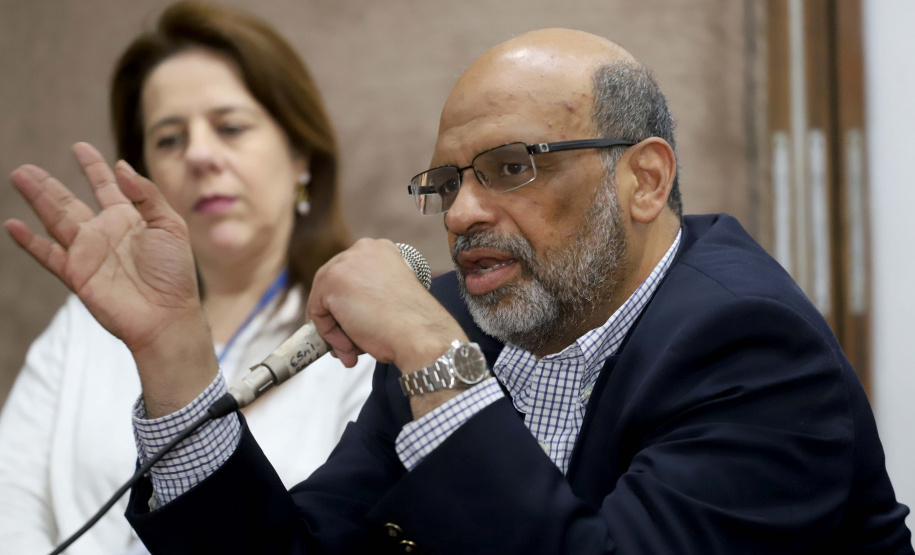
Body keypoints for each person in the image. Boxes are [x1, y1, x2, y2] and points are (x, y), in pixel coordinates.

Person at [6, 27, 913, 554]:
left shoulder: (749, 345)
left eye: (510, 167)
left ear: (642, 179)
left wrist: (441, 362)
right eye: (447, 183)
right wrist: (171, 354)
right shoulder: (459, 317)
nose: (461, 212)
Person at [0, 2, 375, 554]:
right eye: (170, 139)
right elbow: (11, 504)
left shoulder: (359, 336)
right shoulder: (84, 325)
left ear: (301, 155)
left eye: (230, 127)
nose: (199, 155)